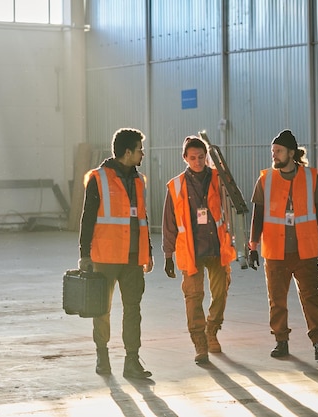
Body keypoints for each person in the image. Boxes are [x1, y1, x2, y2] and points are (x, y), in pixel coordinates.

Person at [248, 129, 318, 360]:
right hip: (275, 252)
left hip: (304, 251)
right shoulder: (265, 179)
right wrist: (252, 247)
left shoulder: (310, 177)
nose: (274, 155)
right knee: (277, 301)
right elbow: (257, 215)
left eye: (278, 151)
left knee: (311, 298)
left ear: (291, 153)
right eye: (273, 151)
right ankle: (281, 341)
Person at [78, 128, 155, 379]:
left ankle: (132, 361)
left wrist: (149, 251)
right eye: (139, 149)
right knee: (102, 309)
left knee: (133, 309)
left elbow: (142, 217)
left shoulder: (139, 180)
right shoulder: (98, 178)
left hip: (133, 258)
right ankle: (102, 356)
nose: (143, 153)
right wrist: (84, 254)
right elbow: (87, 217)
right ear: (127, 152)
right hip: (106, 256)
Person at [162, 136, 237, 364]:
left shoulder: (219, 178)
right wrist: (168, 255)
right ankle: (200, 344)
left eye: (201, 157)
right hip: (191, 251)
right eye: (192, 158)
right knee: (193, 298)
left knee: (221, 292)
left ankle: (211, 330)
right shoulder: (176, 186)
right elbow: (169, 222)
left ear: (207, 157)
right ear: (185, 158)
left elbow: (235, 205)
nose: (197, 162)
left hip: (217, 247)